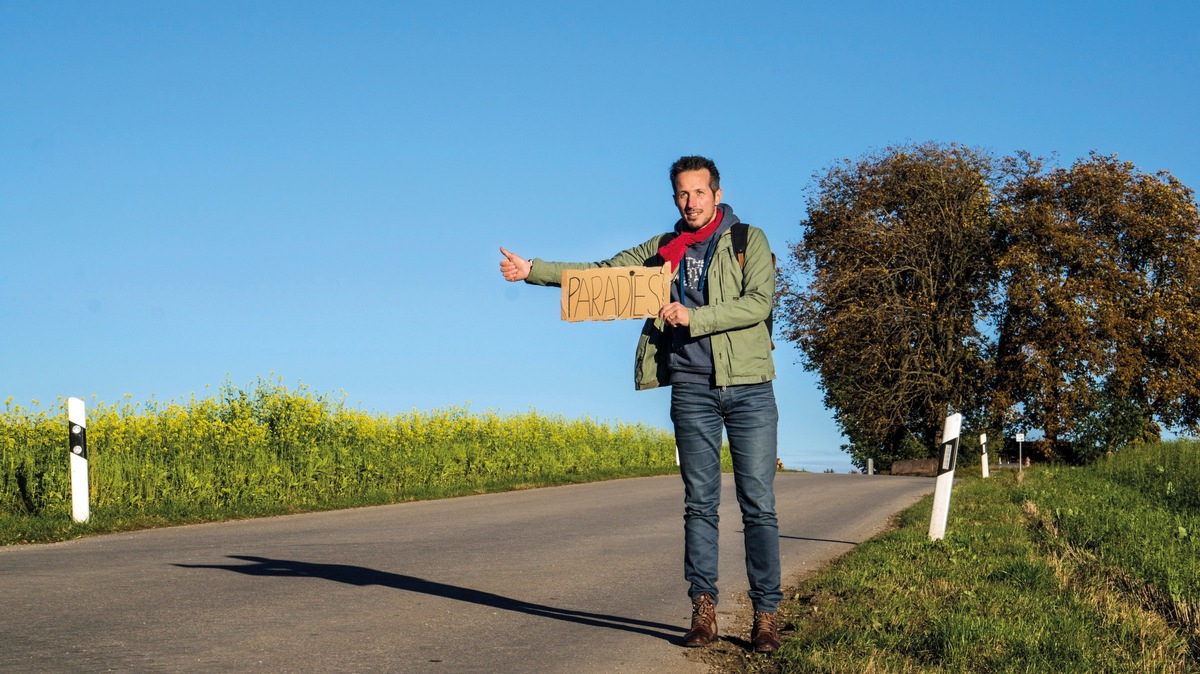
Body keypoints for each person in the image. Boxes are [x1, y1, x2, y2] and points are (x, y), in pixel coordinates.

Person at [498, 155, 781, 653]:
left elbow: (759, 303)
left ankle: (766, 616)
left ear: (717, 193)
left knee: (757, 504)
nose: (689, 203)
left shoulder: (746, 241)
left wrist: (695, 318)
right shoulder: (661, 250)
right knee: (700, 505)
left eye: (698, 193)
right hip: (691, 387)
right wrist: (534, 271)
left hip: (749, 387)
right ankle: (703, 610)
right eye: (681, 194)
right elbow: (602, 275)